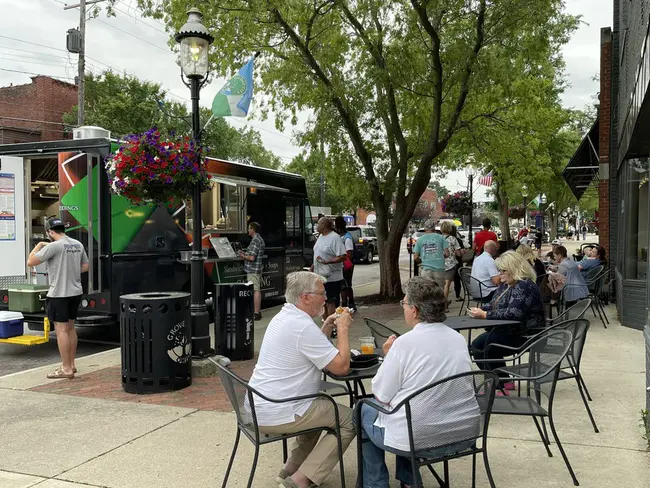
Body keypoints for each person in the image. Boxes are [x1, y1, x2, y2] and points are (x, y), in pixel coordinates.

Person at [359, 277, 479, 488]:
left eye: (404, 304)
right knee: (408, 409)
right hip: (462, 431)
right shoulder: (457, 339)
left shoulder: (404, 344)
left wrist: (388, 357)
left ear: (414, 310)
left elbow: (380, 395)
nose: (403, 308)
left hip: (420, 437)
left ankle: (376, 485)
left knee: (362, 410)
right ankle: (409, 481)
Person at [248, 271, 355, 488]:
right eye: (321, 294)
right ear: (305, 297)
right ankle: (301, 480)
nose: (325, 299)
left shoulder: (285, 316)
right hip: (278, 410)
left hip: (259, 405)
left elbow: (311, 348)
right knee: (351, 420)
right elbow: (342, 367)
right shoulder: (302, 326)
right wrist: (343, 330)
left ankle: (291, 468)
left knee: (322, 404)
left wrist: (326, 327)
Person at [469, 251, 545, 389]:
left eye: (503, 270)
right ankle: (504, 382)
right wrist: (480, 310)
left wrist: (485, 315)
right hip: (509, 331)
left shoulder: (524, 285)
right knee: (480, 345)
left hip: (525, 334)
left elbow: (514, 313)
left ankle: (498, 385)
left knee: (482, 346)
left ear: (513, 269)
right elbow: (494, 304)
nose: (500, 274)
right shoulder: (507, 285)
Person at [27, 217, 89, 379]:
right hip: (75, 292)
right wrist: (70, 272)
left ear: (49, 232)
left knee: (61, 330)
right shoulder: (77, 244)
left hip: (59, 294)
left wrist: (39, 245)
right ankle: (72, 364)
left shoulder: (53, 246)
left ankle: (66, 368)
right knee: (70, 328)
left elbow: (31, 262)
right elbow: (85, 266)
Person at [312, 217, 347, 319]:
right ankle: (325, 322)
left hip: (332, 277)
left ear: (324, 226)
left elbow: (343, 256)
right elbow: (318, 255)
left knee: (330, 301)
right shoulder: (320, 237)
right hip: (319, 275)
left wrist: (328, 262)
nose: (316, 226)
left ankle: (332, 325)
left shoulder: (335, 238)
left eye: (318, 224)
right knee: (322, 301)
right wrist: (312, 267)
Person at [239, 221, 265, 321]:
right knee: (256, 289)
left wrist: (243, 256)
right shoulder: (259, 239)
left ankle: (256, 313)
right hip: (257, 269)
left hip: (253, 269)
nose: (248, 230)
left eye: (249, 228)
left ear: (253, 230)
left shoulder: (255, 240)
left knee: (255, 290)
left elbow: (252, 257)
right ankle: (257, 311)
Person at [413, 218, 449, 285]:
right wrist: (440, 256)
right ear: (434, 228)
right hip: (439, 269)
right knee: (440, 292)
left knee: (428, 292)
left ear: (425, 228)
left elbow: (415, 257)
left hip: (426, 270)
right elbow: (447, 254)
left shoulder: (420, 240)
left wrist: (421, 261)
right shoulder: (441, 238)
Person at [335, 216, 357, 313]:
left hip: (346, 265)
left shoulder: (347, 238)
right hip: (341, 264)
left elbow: (349, 253)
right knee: (342, 285)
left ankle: (350, 303)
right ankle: (344, 303)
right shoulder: (340, 236)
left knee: (347, 284)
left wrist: (344, 263)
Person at [440, 221, 461, 311]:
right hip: (450, 264)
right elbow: (458, 253)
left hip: (440, 264)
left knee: (441, 285)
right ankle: (444, 306)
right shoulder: (452, 239)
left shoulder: (438, 239)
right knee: (447, 285)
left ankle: (441, 303)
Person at [450, 225, 465, 302]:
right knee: (457, 279)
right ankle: (457, 295)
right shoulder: (458, 240)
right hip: (457, 262)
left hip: (445, 263)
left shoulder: (442, 239)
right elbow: (460, 253)